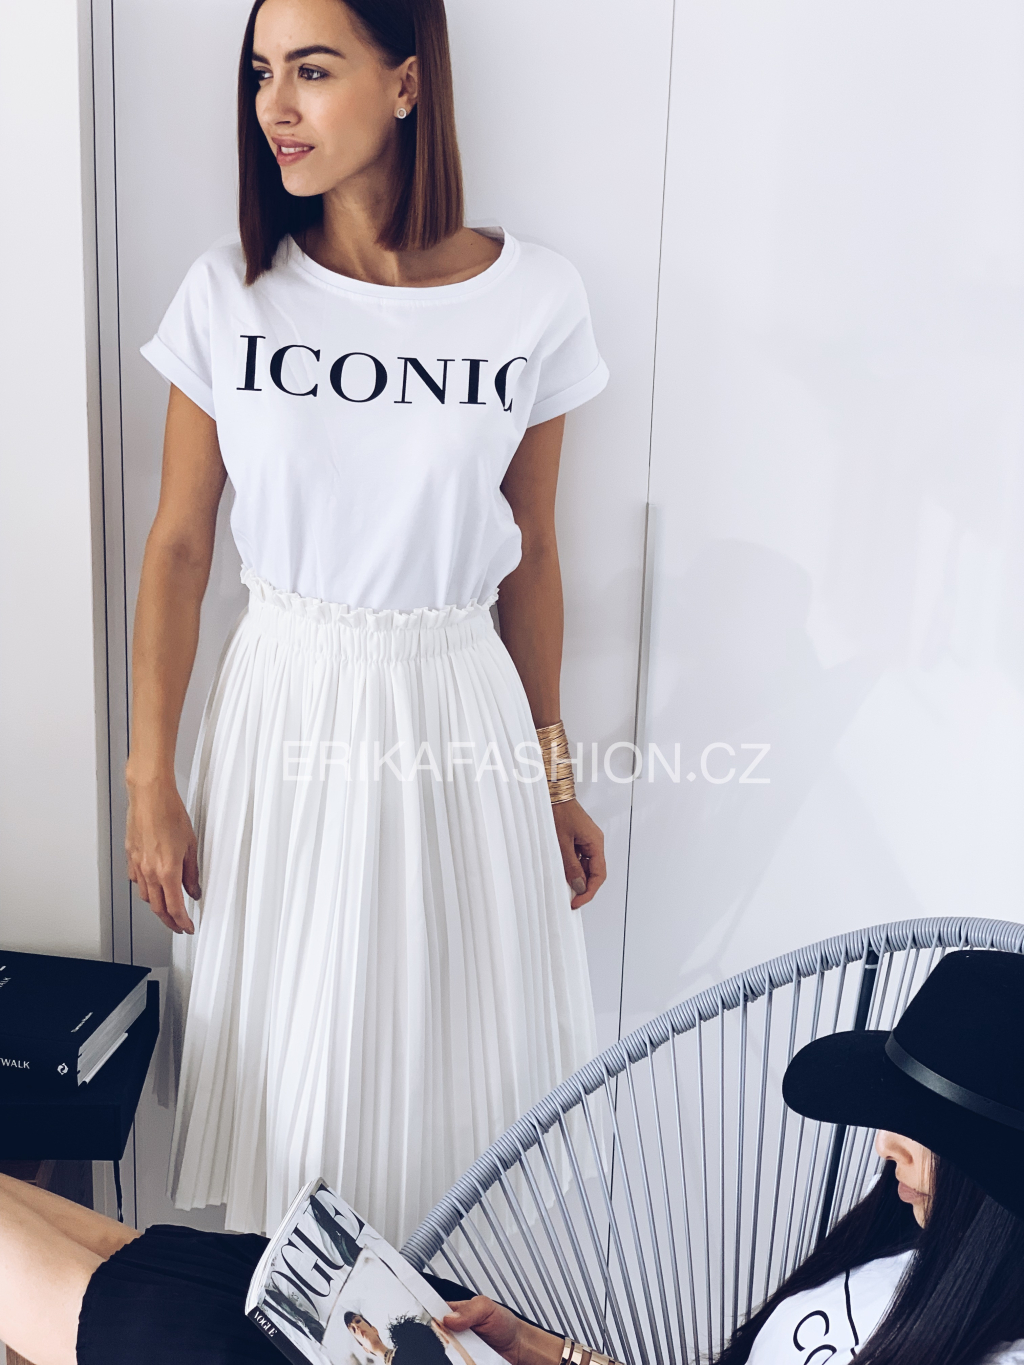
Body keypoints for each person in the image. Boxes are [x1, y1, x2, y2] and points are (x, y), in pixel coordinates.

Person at [125, 0, 607, 1244]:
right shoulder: (231, 294)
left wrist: (554, 778)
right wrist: (149, 774)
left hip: (457, 705)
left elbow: (533, 557)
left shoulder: (533, 298)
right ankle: (292, 1313)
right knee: (301, 1061)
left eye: (312, 70)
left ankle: (445, 1315)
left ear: (404, 83)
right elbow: (178, 549)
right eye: (261, 74)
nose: (274, 108)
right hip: (287, 702)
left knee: (456, 1053)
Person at [5, 948, 1024, 1365]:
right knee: (231, 1277)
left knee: (183, 1329)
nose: (884, 1143)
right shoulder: (918, 1261)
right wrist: (547, 1351)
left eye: (922, 1128)